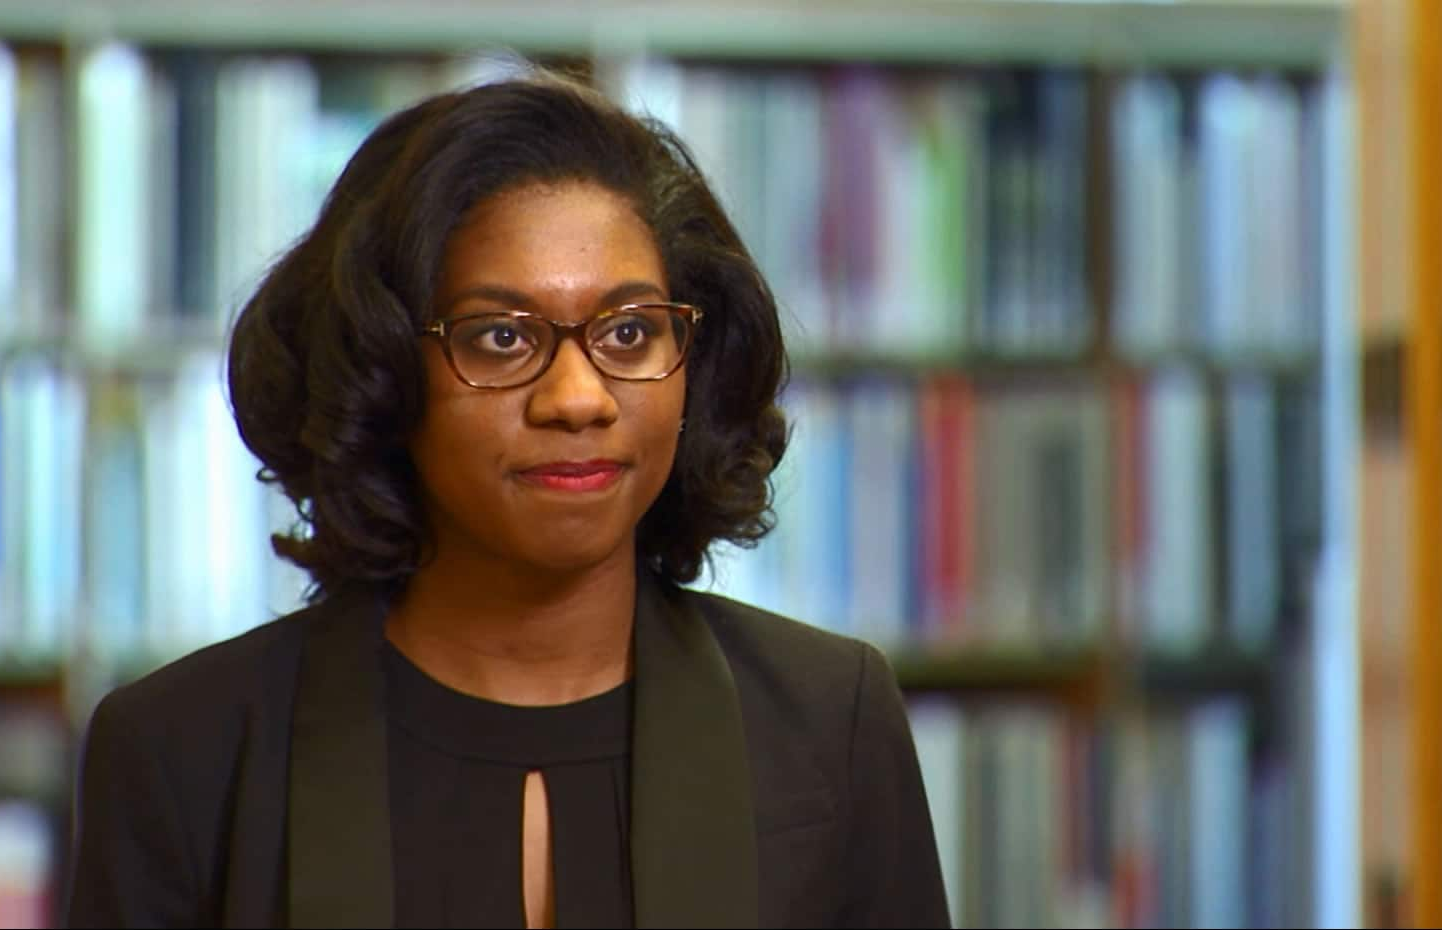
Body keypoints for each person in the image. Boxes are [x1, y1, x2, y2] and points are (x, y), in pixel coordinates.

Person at [62, 67, 951, 929]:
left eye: (631, 332)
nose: (578, 398)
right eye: (500, 337)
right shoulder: (182, 751)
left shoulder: (832, 724)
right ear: (381, 375)